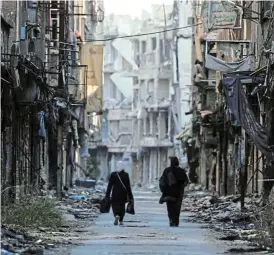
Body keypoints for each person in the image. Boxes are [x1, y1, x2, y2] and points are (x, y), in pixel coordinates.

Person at [160, 156, 189, 227]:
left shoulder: (167, 170)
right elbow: (186, 181)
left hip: (169, 193)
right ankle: (176, 221)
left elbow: (162, 181)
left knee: (170, 208)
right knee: (177, 208)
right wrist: (181, 187)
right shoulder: (181, 171)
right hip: (179, 193)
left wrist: (164, 190)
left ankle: (171, 220)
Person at [105, 161, 134, 225]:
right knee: (122, 206)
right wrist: (131, 196)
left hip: (115, 193)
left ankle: (116, 215)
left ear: (117, 166)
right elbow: (128, 186)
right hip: (123, 194)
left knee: (114, 206)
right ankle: (121, 220)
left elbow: (109, 186)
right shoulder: (126, 174)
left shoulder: (113, 174)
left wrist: (107, 195)